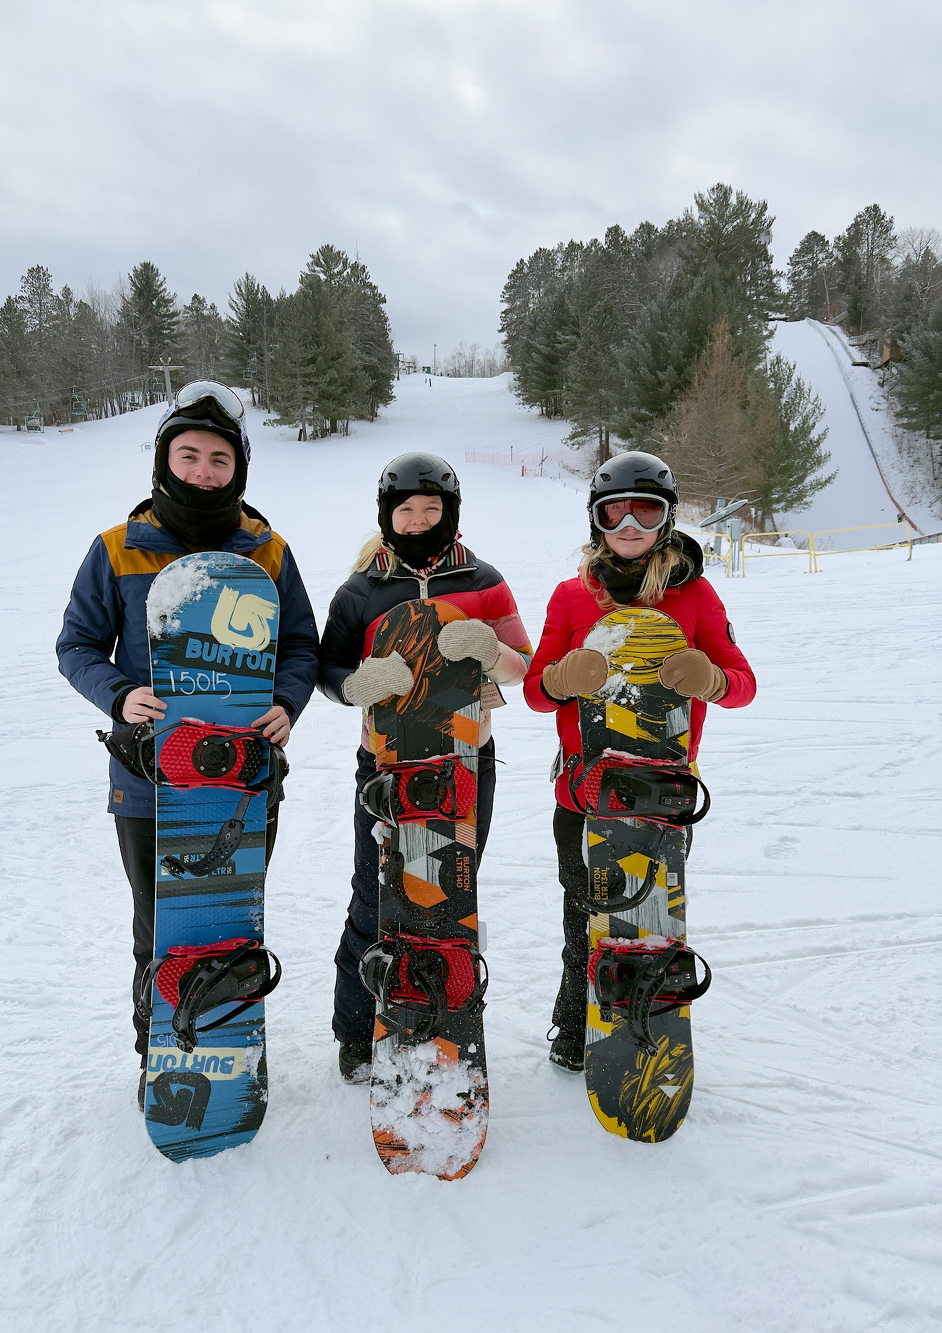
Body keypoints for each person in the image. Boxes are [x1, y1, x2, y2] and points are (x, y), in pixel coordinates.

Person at [56, 381, 320, 1081]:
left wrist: (288, 702)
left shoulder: (267, 549)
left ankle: (232, 1050)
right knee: (162, 926)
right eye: (189, 454)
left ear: (239, 469)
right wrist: (119, 694)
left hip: (244, 776)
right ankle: (161, 1054)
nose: (204, 471)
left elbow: (300, 645)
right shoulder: (118, 547)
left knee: (232, 918)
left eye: (219, 460)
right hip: (150, 780)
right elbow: (76, 645)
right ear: (164, 460)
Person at [523, 451, 756, 1072]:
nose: (629, 524)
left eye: (645, 510)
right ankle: (578, 1030)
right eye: (613, 512)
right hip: (584, 793)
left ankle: (650, 1028)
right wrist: (560, 680)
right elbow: (534, 694)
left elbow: (743, 683)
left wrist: (710, 678)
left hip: (661, 795)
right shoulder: (572, 597)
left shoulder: (697, 596)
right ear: (595, 522)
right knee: (587, 918)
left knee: (651, 920)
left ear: (667, 519)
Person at [318, 452, 533, 1082]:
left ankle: (446, 1023)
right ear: (387, 515)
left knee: (447, 897)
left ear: (451, 512)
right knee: (375, 899)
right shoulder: (361, 591)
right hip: (386, 765)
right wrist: (354, 684)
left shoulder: (485, 581)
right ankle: (356, 1032)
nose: (417, 521)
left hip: (464, 759)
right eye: (405, 510)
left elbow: (523, 665)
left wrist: (491, 648)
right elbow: (327, 670)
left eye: (430, 509)